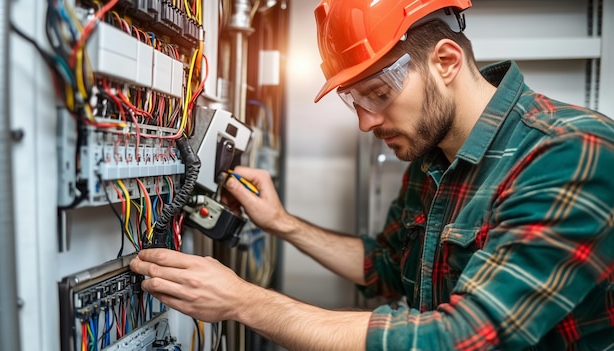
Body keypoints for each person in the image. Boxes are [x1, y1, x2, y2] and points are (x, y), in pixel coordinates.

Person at [130, 0, 614, 349]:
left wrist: (243, 302)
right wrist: (281, 222)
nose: (365, 122)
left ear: (446, 61)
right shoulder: (433, 158)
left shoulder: (570, 152)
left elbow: (463, 337)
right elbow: (385, 267)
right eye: (354, 100)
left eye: (378, 94)